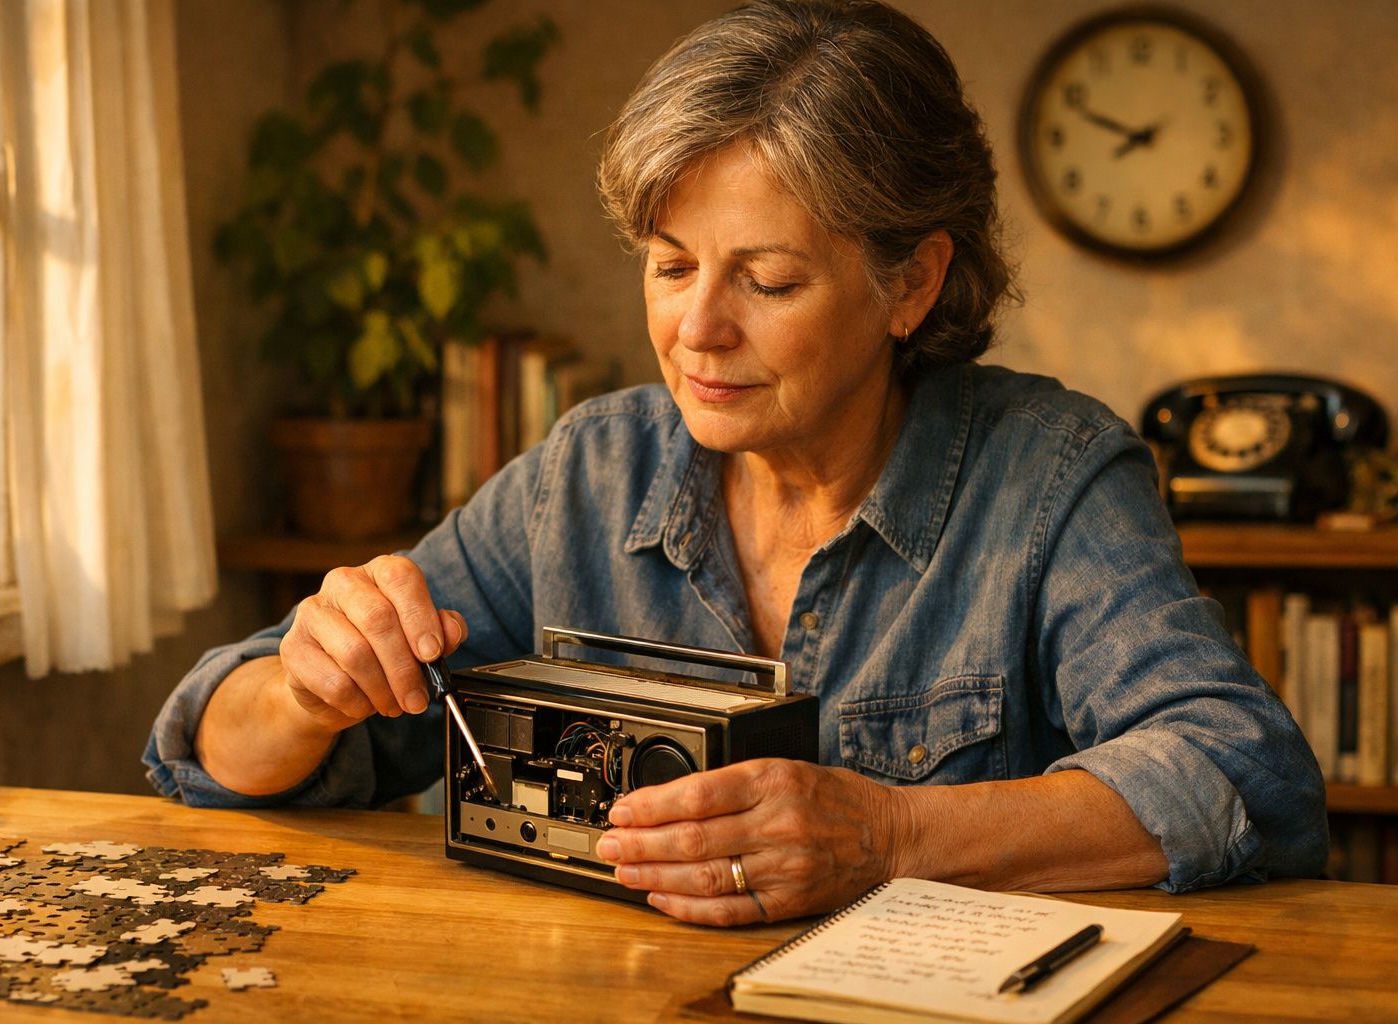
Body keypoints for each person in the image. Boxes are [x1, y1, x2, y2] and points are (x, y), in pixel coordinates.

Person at [146, 0, 1326, 927]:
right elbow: (207, 751)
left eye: (767, 281)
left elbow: (1243, 774)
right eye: (670, 265)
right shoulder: (585, 475)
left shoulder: (1050, 476)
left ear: (912, 282)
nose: (697, 330)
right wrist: (304, 691)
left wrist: (889, 835)